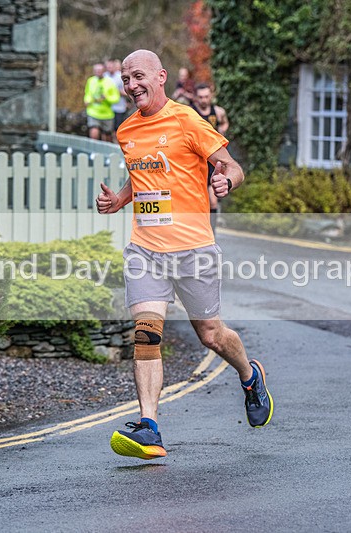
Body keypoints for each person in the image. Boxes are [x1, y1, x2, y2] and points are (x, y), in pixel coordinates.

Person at [96, 49, 273, 460]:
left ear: (160, 77)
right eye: (125, 79)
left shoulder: (188, 120)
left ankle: (249, 375)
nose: (131, 85)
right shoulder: (126, 131)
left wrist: (227, 180)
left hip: (193, 248)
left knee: (210, 335)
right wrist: (121, 199)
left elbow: (232, 166)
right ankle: (149, 428)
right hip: (146, 250)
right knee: (146, 332)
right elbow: (143, 173)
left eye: (138, 76)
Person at [191, 83, 230, 236]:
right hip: (195, 161)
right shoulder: (190, 113)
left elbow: (225, 122)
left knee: (213, 201)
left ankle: (211, 234)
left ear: (211, 96)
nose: (204, 100)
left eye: (206, 96)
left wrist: (222, 131)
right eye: (200, 97)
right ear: (195, 98)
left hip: (212, 161)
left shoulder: (218, 112)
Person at [84, 63, 120, 141]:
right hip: (93, 112)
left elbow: (116, 98)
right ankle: (93, 151)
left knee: (107, 138)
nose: (98, 72)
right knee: (94, 133)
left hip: (106, 114)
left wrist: (107, 98)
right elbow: (88, 94)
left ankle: (105, 152)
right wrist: (87, 100)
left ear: (104, 71)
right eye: (96, 70)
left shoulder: (110, 82)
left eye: (100, 70)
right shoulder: (91, 81)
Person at [105, 58, 129, 135]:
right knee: (107, 130)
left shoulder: (120, 76)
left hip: (119, 107)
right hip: (107, 107)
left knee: (117, 128)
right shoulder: (105, 76)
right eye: (107, 67)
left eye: (111, 66)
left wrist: (117, 92)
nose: (109, 68)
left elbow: (127, 91)